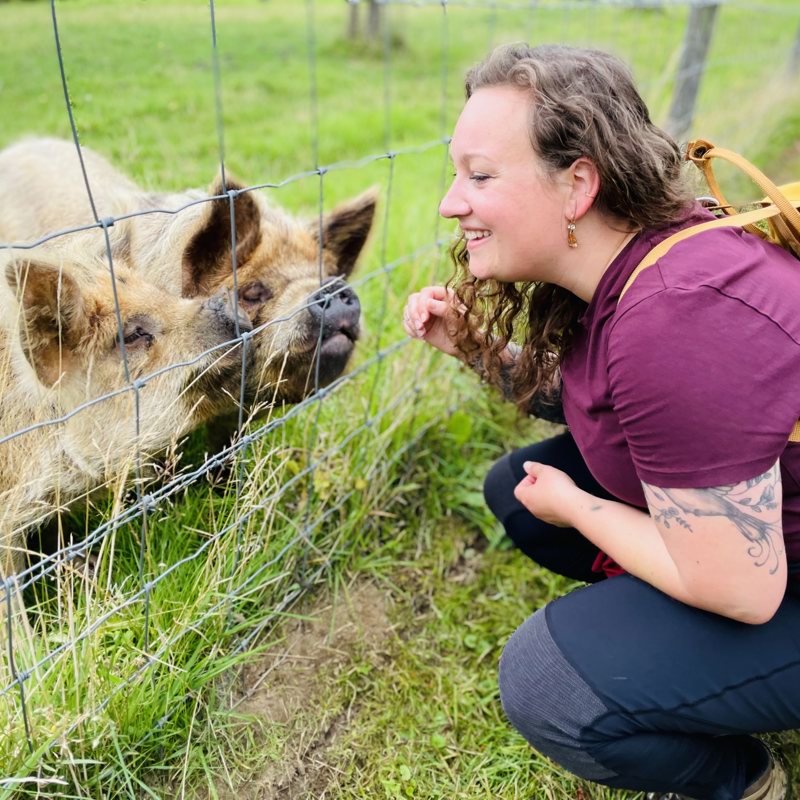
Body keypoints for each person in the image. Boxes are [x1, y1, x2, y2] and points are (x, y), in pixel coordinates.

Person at [402, 43, 800, 800]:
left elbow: (743, 589)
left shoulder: (675, 321)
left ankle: (743, 781)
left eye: (480, 176)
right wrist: (475, 348)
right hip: (771, 544)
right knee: (516, 490)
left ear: (578, 182)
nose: (453, 202)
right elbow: (599, 398)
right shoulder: (653, 254)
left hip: (762, 576)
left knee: (547, 684)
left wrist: (583, 510)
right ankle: (692, 669)